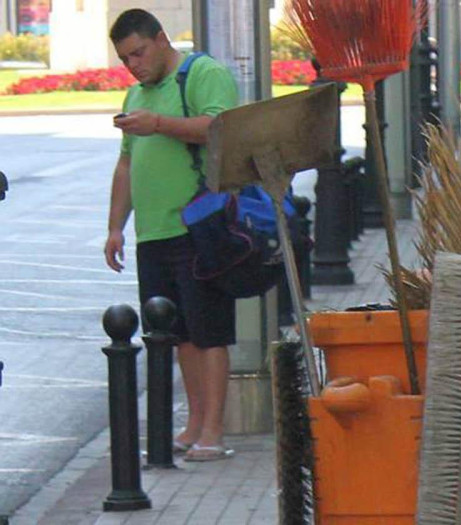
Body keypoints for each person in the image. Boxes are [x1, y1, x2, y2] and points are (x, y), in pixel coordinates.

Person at [104, 9, 239, 462]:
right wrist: (114, 228)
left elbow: (221, 129)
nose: (134, 65)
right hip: (154, 233)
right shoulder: (136, 93)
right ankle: (194, 424)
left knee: (208, 332)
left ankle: (214, 431)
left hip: (198, 227)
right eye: (125, 58)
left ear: (162, 39)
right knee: (176, 334)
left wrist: (159, 124)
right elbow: (126, 163)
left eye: (139, 52)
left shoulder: (201, 74)